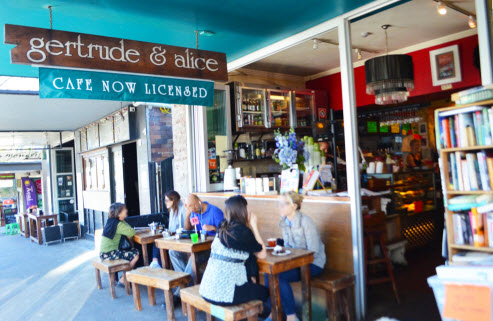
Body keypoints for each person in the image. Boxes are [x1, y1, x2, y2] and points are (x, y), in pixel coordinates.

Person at [264, 192, 325, 321]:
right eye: (279, 203)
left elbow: (314, 251)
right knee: (268, 273)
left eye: (283, 204)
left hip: (313, 264)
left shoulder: (306, 222)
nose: (280, 207)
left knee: (279, 276)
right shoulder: (284, 222)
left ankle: (291, 316)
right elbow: (288, 246)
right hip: (295, 263)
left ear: (294, 206)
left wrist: (291, 256)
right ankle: (273, 311)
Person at [199, 195, 269, 305]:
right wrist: (254, 226)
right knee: (264, 292)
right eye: (247, 207)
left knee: (251, 286)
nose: (249, 210)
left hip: (207, 289)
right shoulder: (243, 232)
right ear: (242, 211)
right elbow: (262, 254)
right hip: (225, 293)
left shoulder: (222, 227)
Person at [169, 194, 224, 280]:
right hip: (196, 245)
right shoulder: (194, 213)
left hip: (210, 247)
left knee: (193, 258)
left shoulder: (214, 211)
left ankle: (183, 285)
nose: (193, 209)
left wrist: (213, 228)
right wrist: (187, 215)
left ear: (199, 202)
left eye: (193, 206)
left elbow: (225, 232)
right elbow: (187, 228)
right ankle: (186, 282)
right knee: (173, 252)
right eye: (190, 208)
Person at [100, 203, 139, 284]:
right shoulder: (118, 224)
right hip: (110, 254)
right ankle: (123, 279)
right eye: (125, 209)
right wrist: (122, 221)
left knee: (132, 251)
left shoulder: (111, 221)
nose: (127, 211)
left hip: (104, 253)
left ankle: (126, 277)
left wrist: (122, 219)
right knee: (135, 255)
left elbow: (128, 228)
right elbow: (131, 232)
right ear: (119, 212)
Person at [150, 191, 185, 269]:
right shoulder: (172, 210)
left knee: (169, 250)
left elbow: (185, 228)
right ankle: (155, 263)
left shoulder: (182, 209)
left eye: (167, 200)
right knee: (157, 242)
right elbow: (171, 228)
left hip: (181, 238)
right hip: (173, 237)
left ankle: (157, 264)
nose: (165, 202)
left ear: (173, 200)